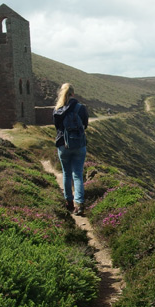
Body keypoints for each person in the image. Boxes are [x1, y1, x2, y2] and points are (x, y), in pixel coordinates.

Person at [53, 83, 89, 215]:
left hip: (63, 145)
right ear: (73, 94)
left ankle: (68, 202)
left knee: (66, 174)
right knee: (78, 175)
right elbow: (85, 124)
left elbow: (57, 128)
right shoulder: (80, 108)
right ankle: (79, 204)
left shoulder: (57, 109)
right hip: (79, 145)